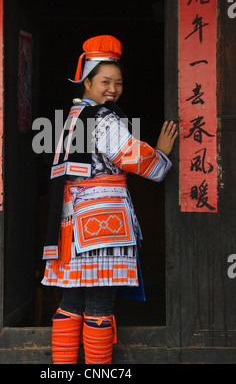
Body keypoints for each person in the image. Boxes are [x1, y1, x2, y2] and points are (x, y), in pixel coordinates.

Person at [41, 35, 178, 364]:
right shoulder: (104, 120)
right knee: (99, 307)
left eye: (118, 82)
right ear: (87, 81)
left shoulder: (72, 117)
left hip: (71, 222)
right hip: (102, 224)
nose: (113, 89)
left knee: (69, 305)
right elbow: (136, 159)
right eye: (104, 81)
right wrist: (161, 153)